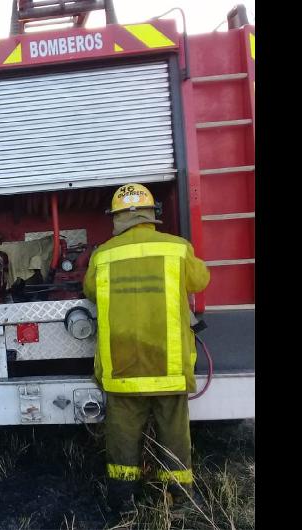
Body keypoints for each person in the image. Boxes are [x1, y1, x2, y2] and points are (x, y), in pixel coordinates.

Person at [82, 183, 210, 514]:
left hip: (121, 366)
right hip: (168, 364)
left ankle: (123, 503)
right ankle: (179, 499)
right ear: (152, 215)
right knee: (175, 432)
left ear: (116, 218)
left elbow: (90, 291)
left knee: (122, 436)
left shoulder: (103, 254)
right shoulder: (178, 248)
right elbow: (200, 281)